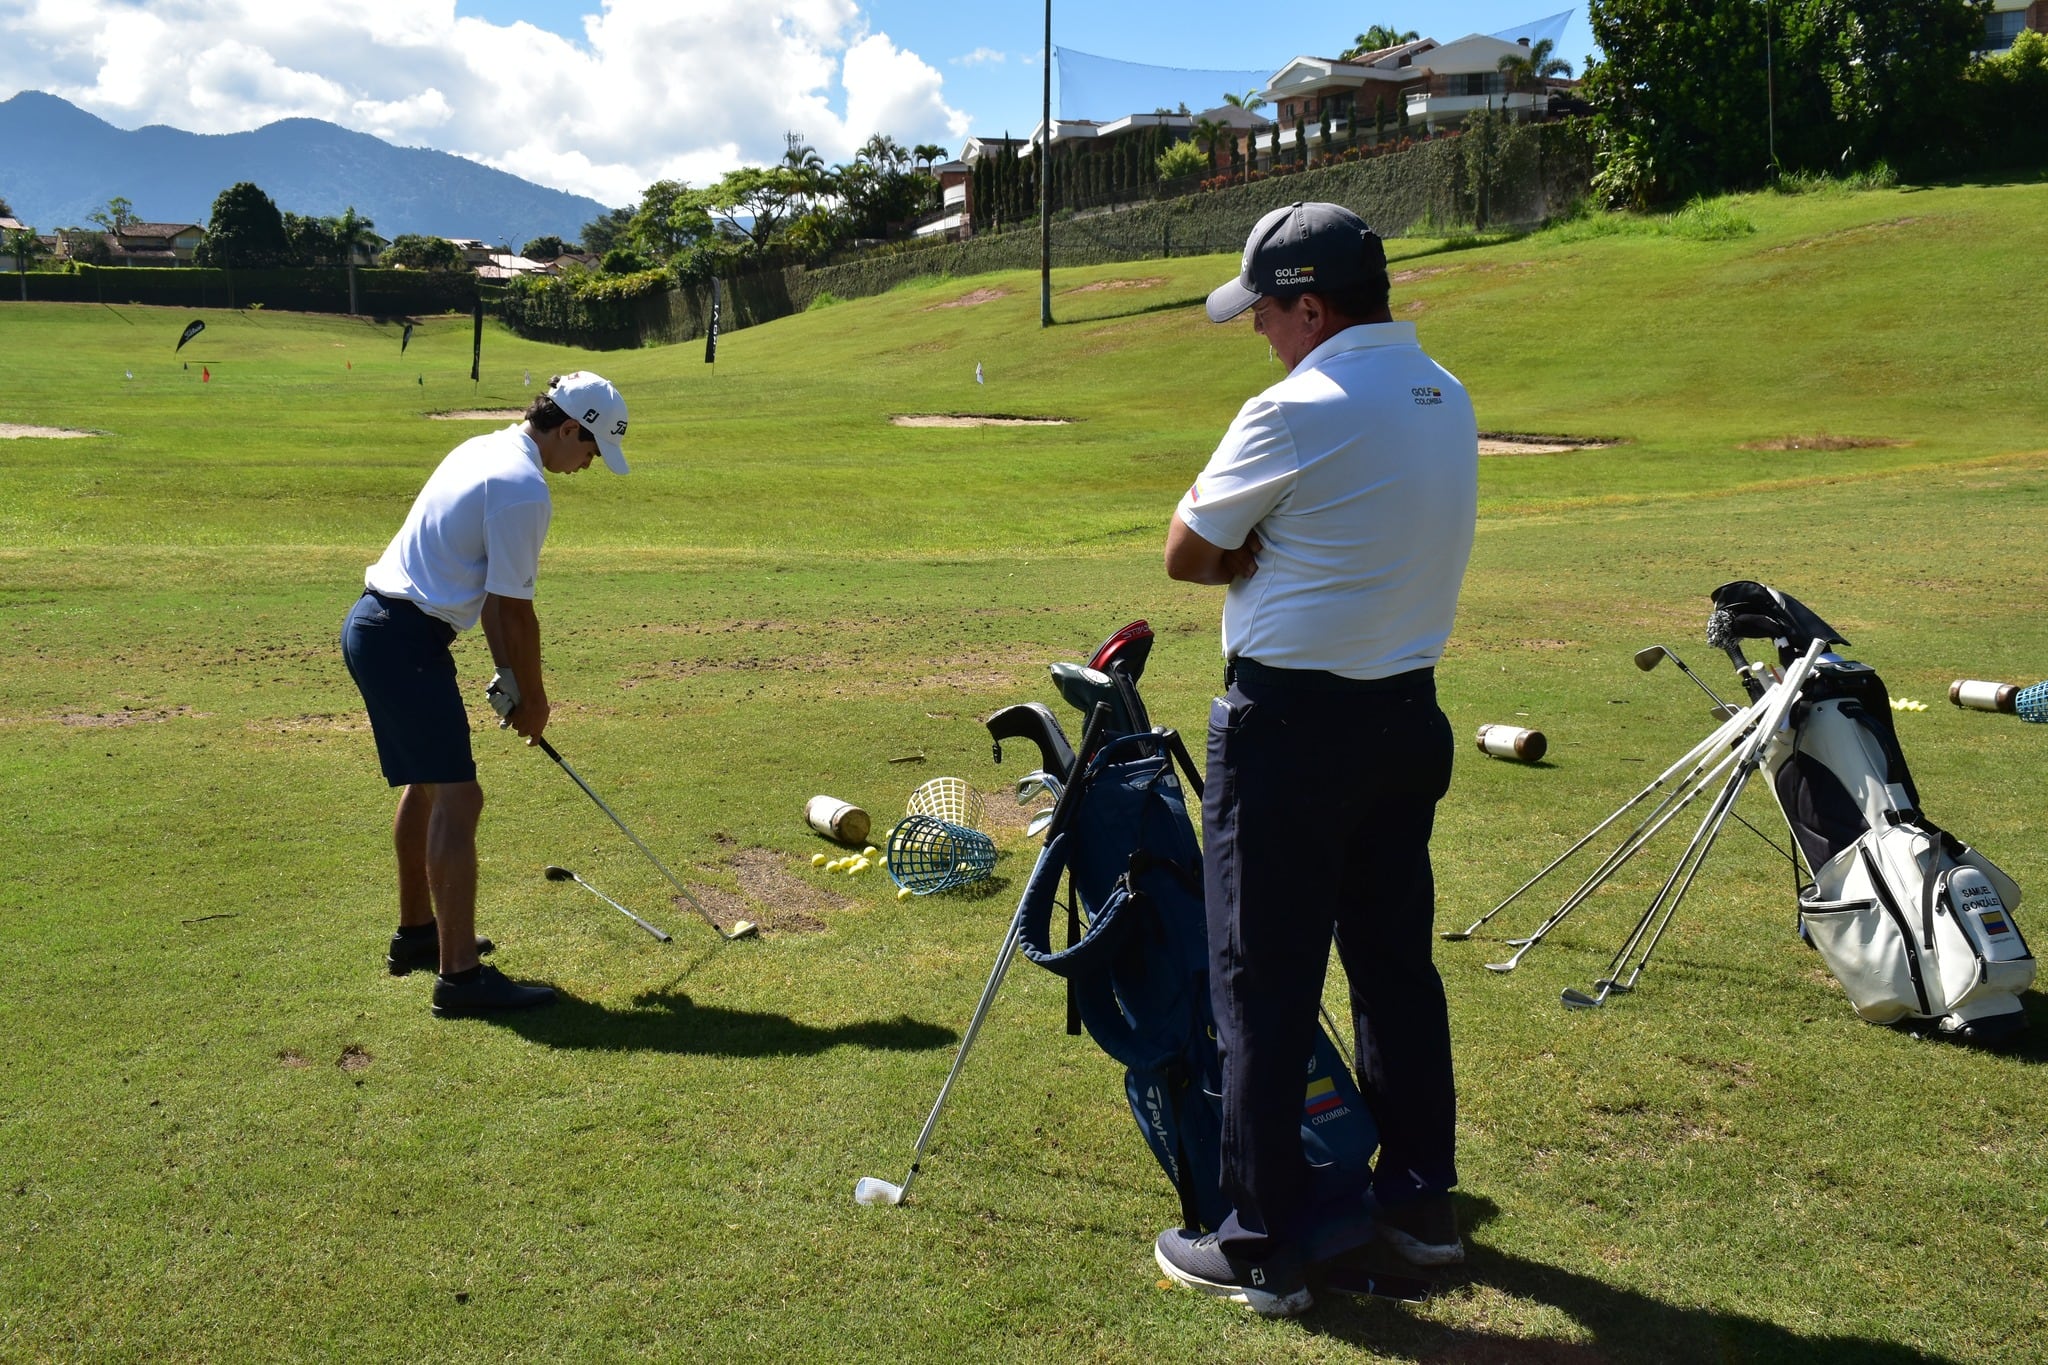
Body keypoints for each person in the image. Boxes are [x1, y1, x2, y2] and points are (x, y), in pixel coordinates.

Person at [1154, 202, 1478, 1316]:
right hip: (1406, 719)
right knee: (1394, 967)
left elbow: (1186, 554)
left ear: (1307, 303)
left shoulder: (1291, 408)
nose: (1255, 333)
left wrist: (1251, 549)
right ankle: (1421, 1205)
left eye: (1262, 313)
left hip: (1288, 730)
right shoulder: (1445, 392)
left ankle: (1258, 1240)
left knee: (1260, 980)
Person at [340, 372, 630, 1017]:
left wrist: (513, 678)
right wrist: (532, 698)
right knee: (460, 797)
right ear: (569, 428)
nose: (587, 464)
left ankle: (418, 936)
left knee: (431, 786)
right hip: (402, 642)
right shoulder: (523, 487)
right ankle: (460, 979)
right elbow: (510, 612)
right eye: (591, 449)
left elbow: (493, 602)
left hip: (378, 629)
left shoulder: (482, 448)